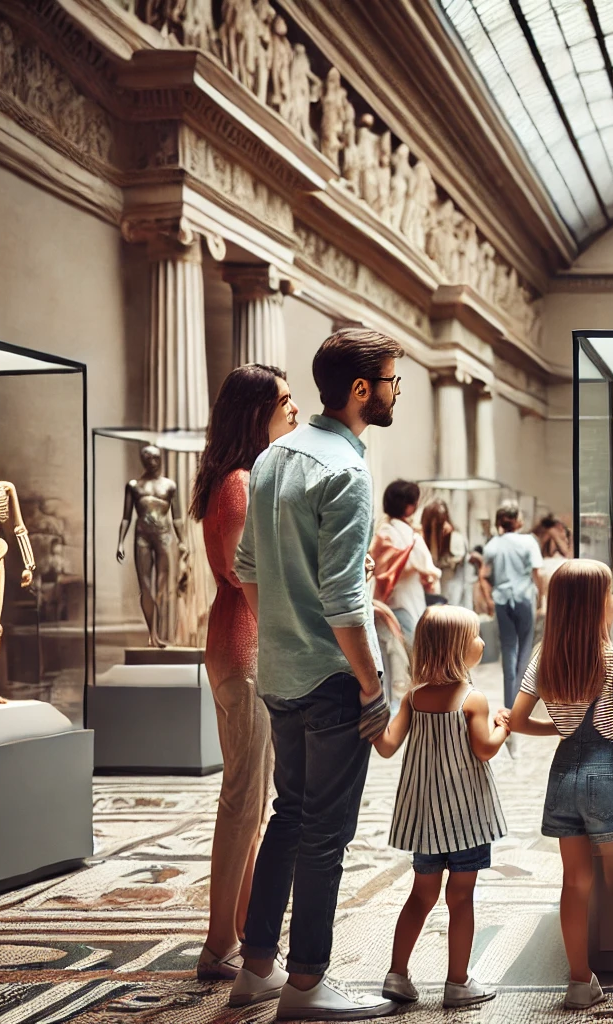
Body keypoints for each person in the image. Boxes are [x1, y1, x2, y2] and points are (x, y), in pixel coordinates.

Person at [229, 327, 405, 1020]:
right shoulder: (347, 471)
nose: (394, 393)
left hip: (278, 670)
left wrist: (282, 629)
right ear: (361, 390)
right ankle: (305, 984)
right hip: (332, 680)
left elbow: (246, 571)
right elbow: (342, 600)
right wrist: (371, 684)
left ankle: (256, 969)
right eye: (391, 382)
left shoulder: (274, 456)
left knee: (289, 818)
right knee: (325, 836)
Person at [189, 363, 299, 981]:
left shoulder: (245, 477)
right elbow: (244, 573)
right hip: (245, 648)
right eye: (283, 401)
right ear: (255, 411)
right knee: (243, 800)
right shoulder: (237, 481)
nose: (293, 410)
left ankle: (241, 932)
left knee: (252, 802)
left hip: (246, 644)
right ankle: (220, 943)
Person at [495, 560, 613, 1010]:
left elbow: (517, 720)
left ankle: (579, 979)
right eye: (612, 593)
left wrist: (559, 731)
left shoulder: (544, 657)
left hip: (562, 777)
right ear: (598, 605)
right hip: (606, 771)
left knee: (574, 882)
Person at [374, 605, 506, 1010]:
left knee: (420, 896)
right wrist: (503, 725)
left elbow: (386, 745)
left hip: (427, 822)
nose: (481, 641)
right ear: (458, 650)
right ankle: (458, 982)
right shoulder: (473, 699)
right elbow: (484, 751)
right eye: (475, 637)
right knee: (461, 898)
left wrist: (367, 705)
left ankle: (397, 974)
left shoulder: (413, 698)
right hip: (466, 820)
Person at [483, 502, 543, 707]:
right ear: (517, 521)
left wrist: (488, 598)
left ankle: (509, 703)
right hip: (525, 598)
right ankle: (521, 703)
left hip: (501, 599)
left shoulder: (492, 545)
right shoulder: (529, 541)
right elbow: (537, 572)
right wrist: (541, 597)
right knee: (525, 649)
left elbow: (484, 575)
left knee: (508, 649)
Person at [372, 480, 440, 643]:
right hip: (405, 599)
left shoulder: (383, 529)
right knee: (411, 650)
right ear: (408, 506)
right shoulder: (408, 534)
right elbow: (427, 567)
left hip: (384, 599)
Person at [420, 499, 470, 608]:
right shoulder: (426, 539)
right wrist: (433, 534)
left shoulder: (456, 538)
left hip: (452, 592)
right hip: (434, 594)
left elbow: (440, 562)